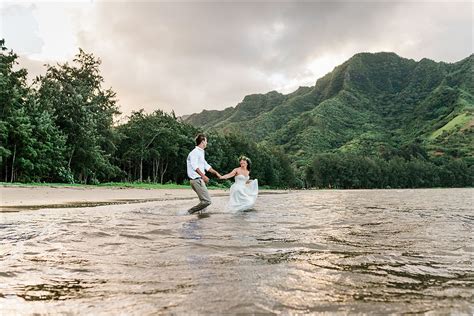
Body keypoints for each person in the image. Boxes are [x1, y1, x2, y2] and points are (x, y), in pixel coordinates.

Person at [186, 134, 221, 214]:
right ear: (202, 142)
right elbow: (195, 166)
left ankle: (201, 219)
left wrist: (216, 173)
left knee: (204, 203)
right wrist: (203, 176)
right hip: (196, 180)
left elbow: (206, 166)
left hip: (198, 180)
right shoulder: (194, 152)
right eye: (206, 141)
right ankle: (189, 212)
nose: (207, 143)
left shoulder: (201, 152)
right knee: (207, 201)